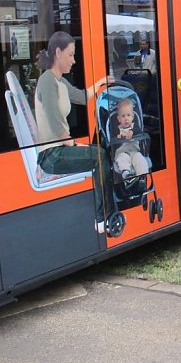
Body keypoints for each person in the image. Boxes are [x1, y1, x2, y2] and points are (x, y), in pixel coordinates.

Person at [34, 31, 115, 234]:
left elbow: (81, 96)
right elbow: (55, 122)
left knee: (101, 150)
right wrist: (74, 144)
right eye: (70, 55)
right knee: (100, 156)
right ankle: (104, 217)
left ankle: (107, 213)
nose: (74, 60)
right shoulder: (47, 81)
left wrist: (101, 82)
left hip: (59, 150)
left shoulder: (60, 81)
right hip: (52, 155)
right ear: (58, 53)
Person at [112, 98, 149, 179]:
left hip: (134, 151)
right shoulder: (117, 129)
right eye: (123, 116)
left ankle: (142, 177)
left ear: (132, 117)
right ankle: (126, 173)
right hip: (122, 151)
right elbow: (113, 141)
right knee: (122, 158)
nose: (126, 118)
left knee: (140, 160)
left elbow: (139, 131)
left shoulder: (135, 127)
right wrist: (117, 137)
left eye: (128, 115)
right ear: (119, 119)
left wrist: (132, 131)